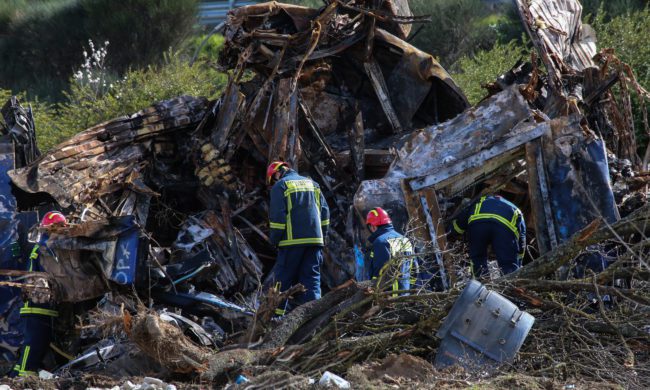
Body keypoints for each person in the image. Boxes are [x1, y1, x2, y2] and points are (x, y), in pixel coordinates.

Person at [266, 161, 329, 316]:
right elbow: (325, 214)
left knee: (282, 280)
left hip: (291, 242)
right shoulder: (313, 184)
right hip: (315, 241)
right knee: (312, 280)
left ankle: (276, 318)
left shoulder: (280, 186)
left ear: (276, 174)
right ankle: (314, 317)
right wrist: (323, 237)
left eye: (273, 180)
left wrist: (274, 240)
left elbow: (278, 219)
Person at [11, 211, 66, 377]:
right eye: (59, 228)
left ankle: (23, 375)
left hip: (44, 308)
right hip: (36, 307)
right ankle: (20, 377)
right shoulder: (45, 248)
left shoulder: (44, 246)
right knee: (32, 344)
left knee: (40, 344)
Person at [449, 195, 525, 277]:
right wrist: (519, 261)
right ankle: (511, 286)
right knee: (508, 265)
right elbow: (522, 240)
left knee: (477, 259)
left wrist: (449, 232)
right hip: (504, 229)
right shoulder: (516, 209)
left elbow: (459, 224)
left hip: (478, 225)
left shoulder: (479, 201)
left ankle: (481, 285)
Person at [365, 207, 414, 294]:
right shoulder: (405, 240)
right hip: (405, 296)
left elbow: (378, 273)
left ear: (372, 226)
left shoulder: (380, 242)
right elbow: (414, 271)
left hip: (387, 298)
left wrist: (373, 290)